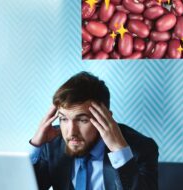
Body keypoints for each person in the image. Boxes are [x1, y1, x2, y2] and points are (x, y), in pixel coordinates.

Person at [30, 71, 158, 190]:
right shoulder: (52, 143)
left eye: (82, 120)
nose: (71, 132)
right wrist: (36, 145)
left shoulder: (141, 148)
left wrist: (119, 150)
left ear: (106, 119)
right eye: (63, 119)